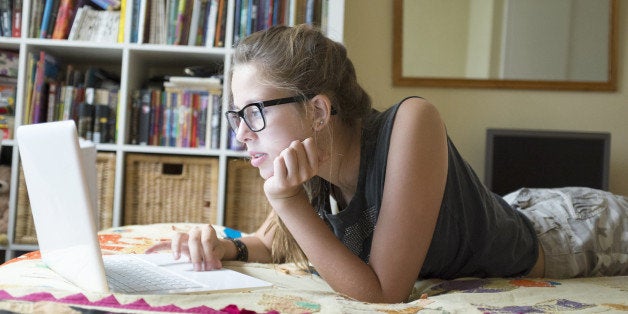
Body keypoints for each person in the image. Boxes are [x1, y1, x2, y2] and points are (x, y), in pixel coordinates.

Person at [147, 24, 628, 303]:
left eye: (254, 112)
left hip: (573, 230)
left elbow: (381, 293)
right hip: (517, 208)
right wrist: (220, 245)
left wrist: (290, 201)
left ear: (318, 110)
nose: (240, 132)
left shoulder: (411, 123)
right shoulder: (312, 166)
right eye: (236, 114)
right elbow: (270, 245)